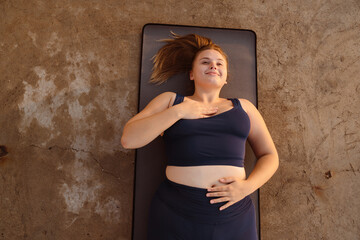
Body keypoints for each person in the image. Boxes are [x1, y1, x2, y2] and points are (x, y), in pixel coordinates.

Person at [121, 33, 279, 240]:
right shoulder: (171, 101)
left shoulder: (245, 107)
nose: (213, 66)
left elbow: (270, 155)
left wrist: (247, 187)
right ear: (192, 74)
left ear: (226, 76)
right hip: (175, 210)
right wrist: (179, 112)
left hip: (233, 212)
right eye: (205, 62)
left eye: (219, 63)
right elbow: (129, 139)